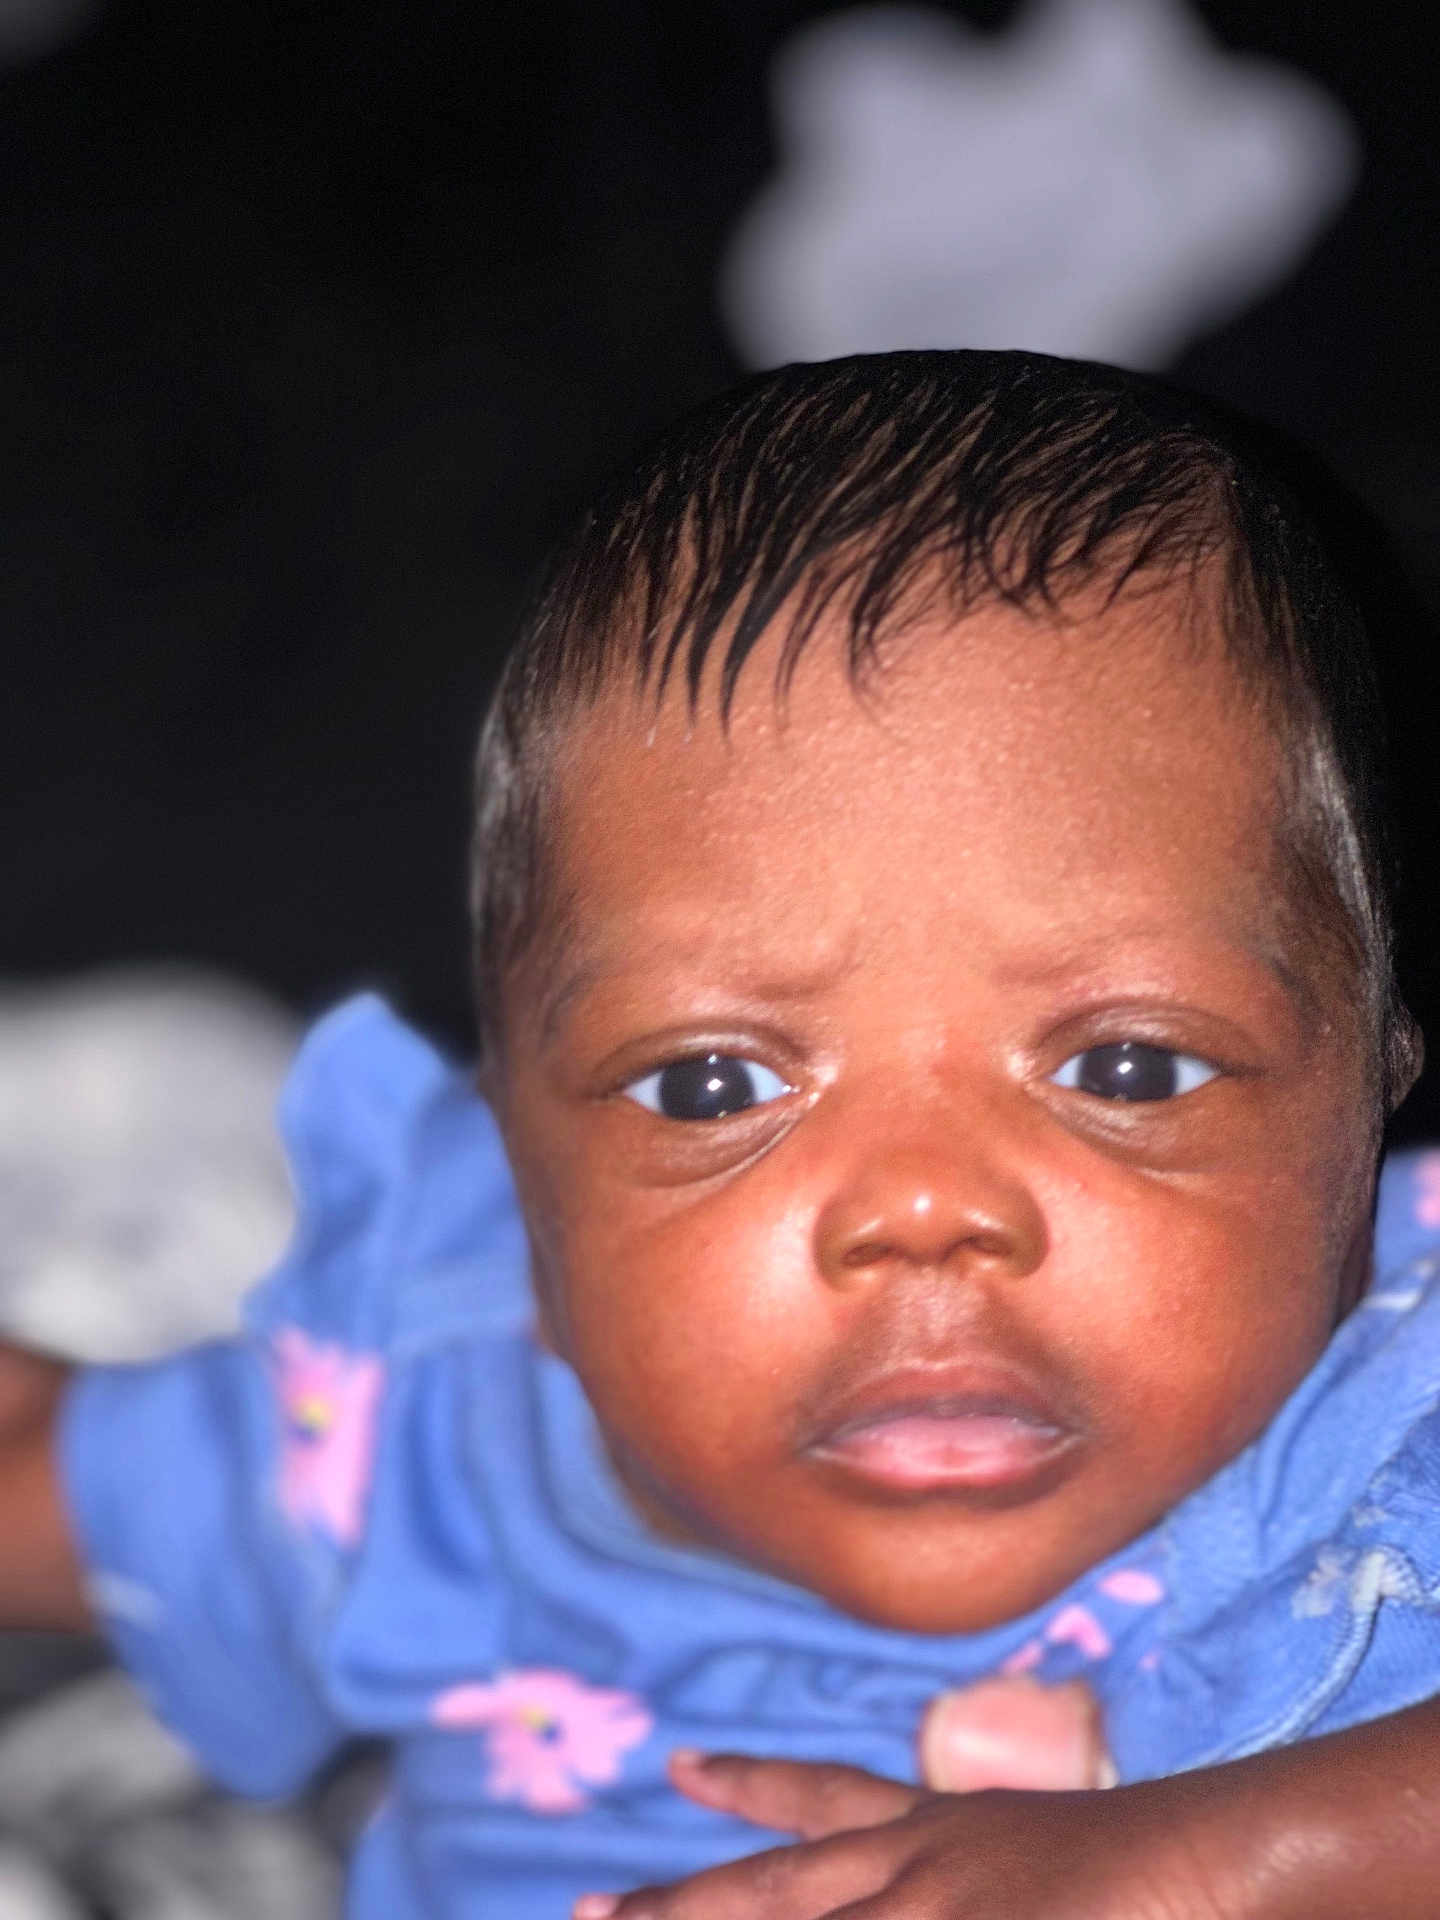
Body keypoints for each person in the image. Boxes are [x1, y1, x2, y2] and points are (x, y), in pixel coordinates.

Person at [7, 348, 1440, 1919]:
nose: (920, 1209)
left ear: (1372, 1080)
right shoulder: (429, 1450)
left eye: (1127, 1067)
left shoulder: (1401, 1421)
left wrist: (1220, 1863)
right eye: (710, 1088)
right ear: (521, 1168)